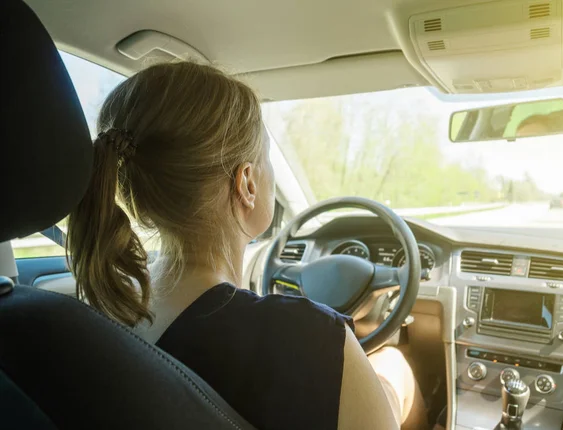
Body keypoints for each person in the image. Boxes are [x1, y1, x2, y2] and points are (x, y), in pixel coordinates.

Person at [67, 62, 427, 430]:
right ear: (247, 184)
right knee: (395, 367)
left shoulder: (86, 319)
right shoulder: (312, 339)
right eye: (267, 158)